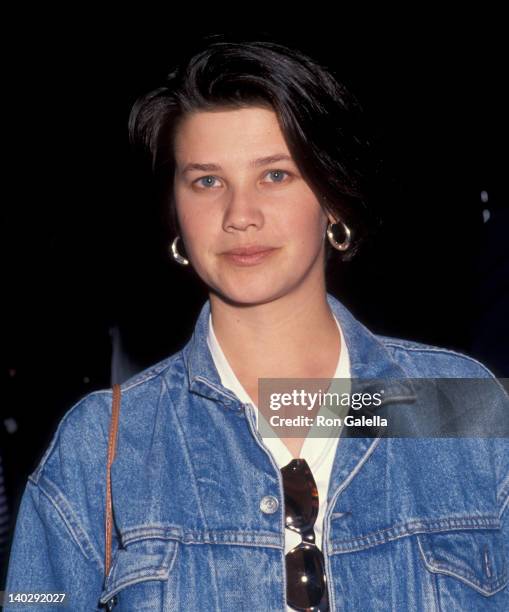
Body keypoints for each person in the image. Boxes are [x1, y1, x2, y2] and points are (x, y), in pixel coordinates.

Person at [4, 35, 509, 611]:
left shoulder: (457, 404)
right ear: (176, 213)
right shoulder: (103, 445)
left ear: (333, 197)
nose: (240, 215)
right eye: (207, 181)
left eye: (275, 175)